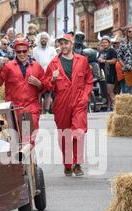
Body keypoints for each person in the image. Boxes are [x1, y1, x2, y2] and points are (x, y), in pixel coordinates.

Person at [43, 34, 93, 177]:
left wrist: (85, 97)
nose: (63, 46)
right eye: (61, 44)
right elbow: (46, 85)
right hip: (61, 103)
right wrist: (52, 79)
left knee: (78, 131)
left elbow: (89, 80)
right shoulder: (53, 63)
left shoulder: (82, 61)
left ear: (71, 44)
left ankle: (77, 164)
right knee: (65, 134)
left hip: (78, 101)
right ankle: (68, 163)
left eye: (66, 44)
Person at [0, 39, 45, 142]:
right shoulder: (9, 66)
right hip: (14, 109)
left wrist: (39, 84)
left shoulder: (36, 66)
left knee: (27, 140)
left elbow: (46, 87)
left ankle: (28, 158)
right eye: (19, 52)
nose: (22, 54)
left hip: (30, 108)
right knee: (15, 141)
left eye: (24, 51)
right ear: (15, 52)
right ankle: (23, 157)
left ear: (28, 51)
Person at [32, 32, 56, 114]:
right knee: (38, 92)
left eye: (45, 38)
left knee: (48, 91)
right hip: (38, 73)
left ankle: (46, 110)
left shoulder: (52, 50)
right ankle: (38, 109)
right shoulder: (34, 50)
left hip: (49, 73)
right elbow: (32, 61)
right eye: (42, 38)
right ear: (39, 39)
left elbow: (55, 61)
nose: (44, 40)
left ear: (48, 40)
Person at [118, 26, 132, 95]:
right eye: (129, 31)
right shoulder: (123, 44)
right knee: (131, 86)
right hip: (127, 68)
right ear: (127, 33)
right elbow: (119, 57)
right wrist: (124, 65)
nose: (131, 33)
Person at [97, 36, 118, 110]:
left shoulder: (112, 51)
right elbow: (99, 59)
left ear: (109, 43)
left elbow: (115, 60)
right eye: (103, 42)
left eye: (106, 42)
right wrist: (99, 59)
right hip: (103, 73)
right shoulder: (101, 51)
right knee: (107, 92)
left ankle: (118, 107)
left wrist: (105, 61)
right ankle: (109, 107)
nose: (104, 44)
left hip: (111, 73)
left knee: (110, 91)